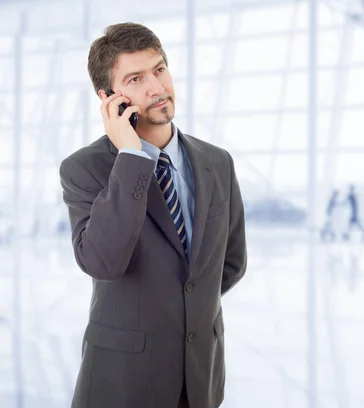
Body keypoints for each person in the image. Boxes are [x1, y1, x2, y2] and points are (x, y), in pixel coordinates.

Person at [59, 22, 247, 408]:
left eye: (159, 69)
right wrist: (131, 156)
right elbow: (102, 261)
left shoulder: (217, 162)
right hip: (121, 383)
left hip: (200, 379)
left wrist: (186, 313)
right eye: (136, 78)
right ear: (109, 98)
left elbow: (230, 262)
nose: (157, 88)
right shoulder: (84, 169)